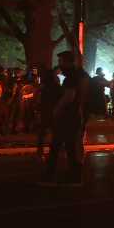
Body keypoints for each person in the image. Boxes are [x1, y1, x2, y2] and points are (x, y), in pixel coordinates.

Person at [41, 51, 87, 185]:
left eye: (61, 61)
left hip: (67, 117)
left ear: (68, 62)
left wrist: (57, 109)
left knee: (57, 146)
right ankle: (74, 177)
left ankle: (51, 177)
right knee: (69, 147)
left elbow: (69, 96)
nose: (59, 64)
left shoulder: (70, 77)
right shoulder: (77, 75)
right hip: (72, 117)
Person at [35, 68, 62, 161]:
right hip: (54, 112)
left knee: (42, 133)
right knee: (55, 133)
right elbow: (60, 99)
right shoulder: (57, 86)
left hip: (45, 111)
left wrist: (38, 108)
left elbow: (37, 97)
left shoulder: (43, 86)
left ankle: (40, 152)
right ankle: (53, 153)